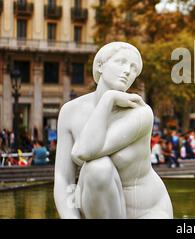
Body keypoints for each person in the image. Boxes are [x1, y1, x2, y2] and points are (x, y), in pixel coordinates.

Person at [54, 42, 173, 219]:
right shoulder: (70, 111)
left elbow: (83, 152)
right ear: (100, 66)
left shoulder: (141, 112)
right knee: (97, 169)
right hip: (99, 210)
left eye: (134, 68)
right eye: (121, 62)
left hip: (147, 211)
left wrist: (108, 99)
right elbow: (63, 178)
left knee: (96, 166)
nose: (127, 71)